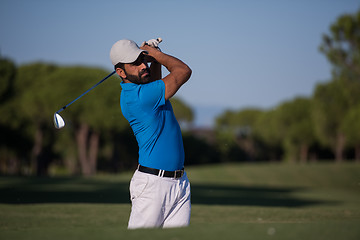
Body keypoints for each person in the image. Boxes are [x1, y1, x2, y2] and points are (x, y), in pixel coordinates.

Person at [109, 38, 192, 229]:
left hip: (179, 183)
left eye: (142, 59)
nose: (142, 65)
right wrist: (155, 55)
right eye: (135, 63)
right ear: (120, 72)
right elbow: (183, 71)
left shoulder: (144, 90)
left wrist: (153, 55)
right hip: (153, 185)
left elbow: (153, 80)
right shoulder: (139, 97)